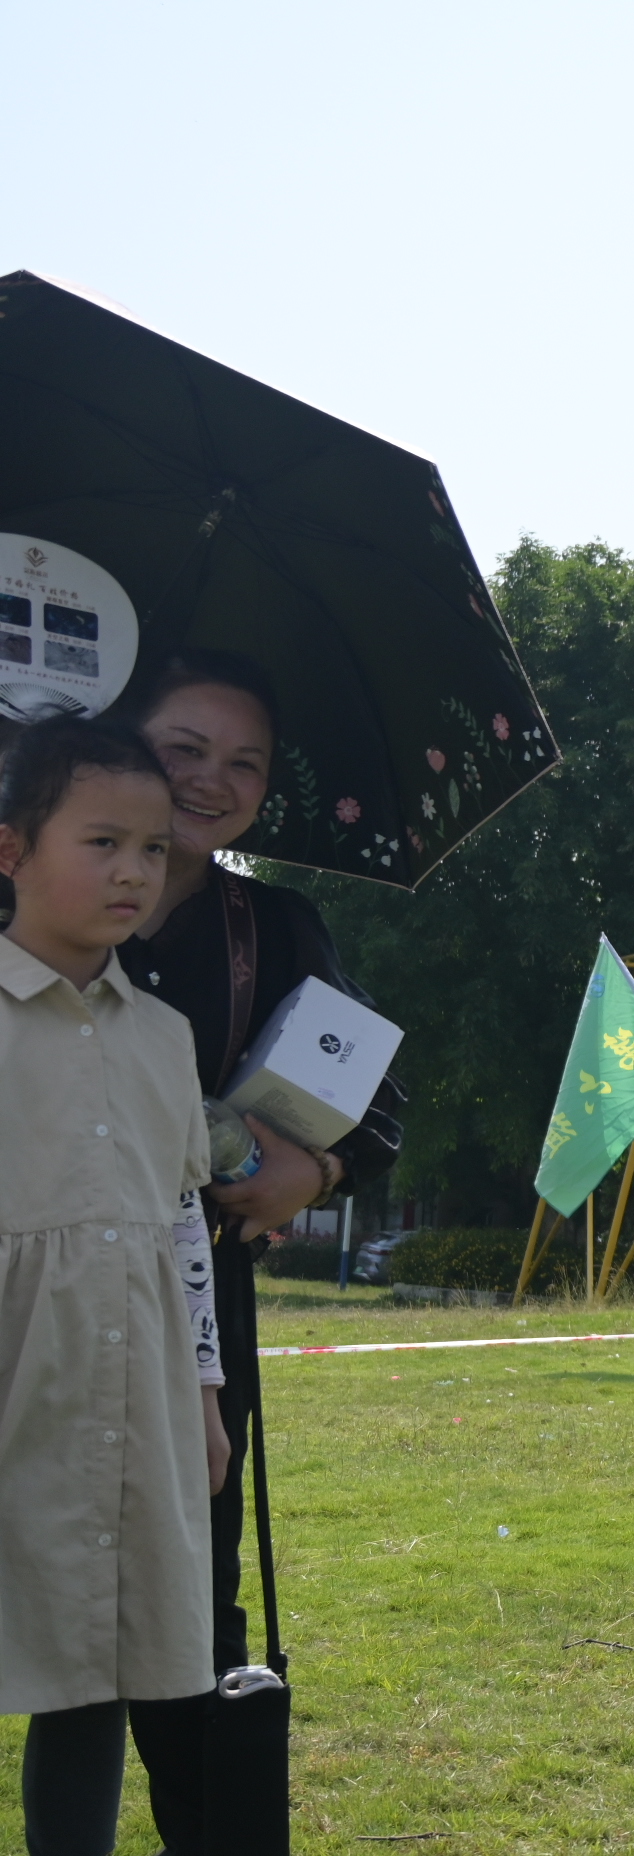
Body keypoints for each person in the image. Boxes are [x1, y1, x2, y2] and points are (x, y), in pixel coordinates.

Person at [111, 651, 404, 1848]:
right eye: (183, 747)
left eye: (246, 763)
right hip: (31, 1281)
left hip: (194, 1308)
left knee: (187, 1602)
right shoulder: (31, 888)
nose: (211, 780)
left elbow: (376, 1102)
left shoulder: (271, 923)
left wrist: (314, 1171)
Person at [0, 717, 225, 1856]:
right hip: (17, 1374)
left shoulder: (164, 1036)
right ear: (11, 848)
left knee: (93, 1656)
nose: (133, 870)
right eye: (101, 842)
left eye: (151, 847)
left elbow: (182, 1222)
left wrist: (204, 1391)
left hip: (127, 1386)